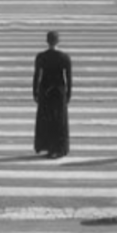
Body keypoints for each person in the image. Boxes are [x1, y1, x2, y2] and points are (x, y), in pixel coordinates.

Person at [33, 30, 73, 159]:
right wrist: (68, 94)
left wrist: (35, 92)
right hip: (59, 91)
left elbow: (36, 76)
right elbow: (68, 78)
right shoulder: (64, 57)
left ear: (47, 41)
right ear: (58, 41)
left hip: (45, 91)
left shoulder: (41, 57)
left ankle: (46, 145)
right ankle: (59, 147)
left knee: (46, 120)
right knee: (59, 121)